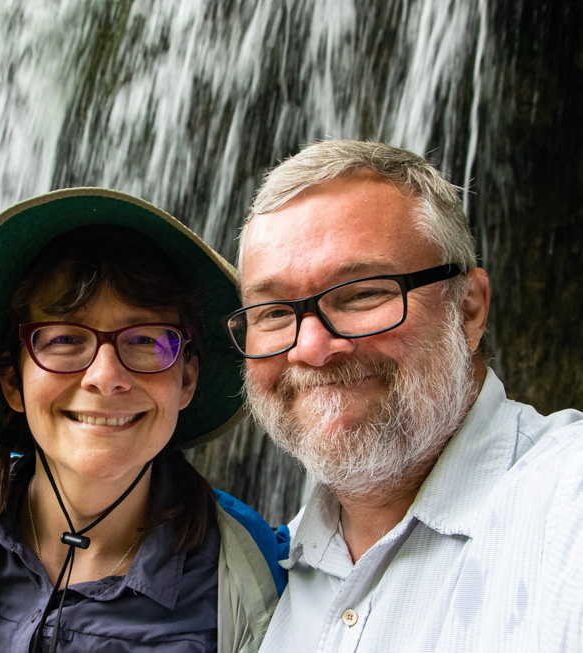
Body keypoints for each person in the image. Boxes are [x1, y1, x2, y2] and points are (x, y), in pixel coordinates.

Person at [0, 187, 289, 653]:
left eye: (146, 340)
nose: (106, 377)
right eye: (63, 340)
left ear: (187, 379)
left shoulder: (248, 569)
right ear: (11, 381)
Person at [223, 139, 583, 652]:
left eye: (364, 294)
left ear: (469, 309)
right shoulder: (262, 573)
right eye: (274, 313)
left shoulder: (566, 506)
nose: (311, 348)